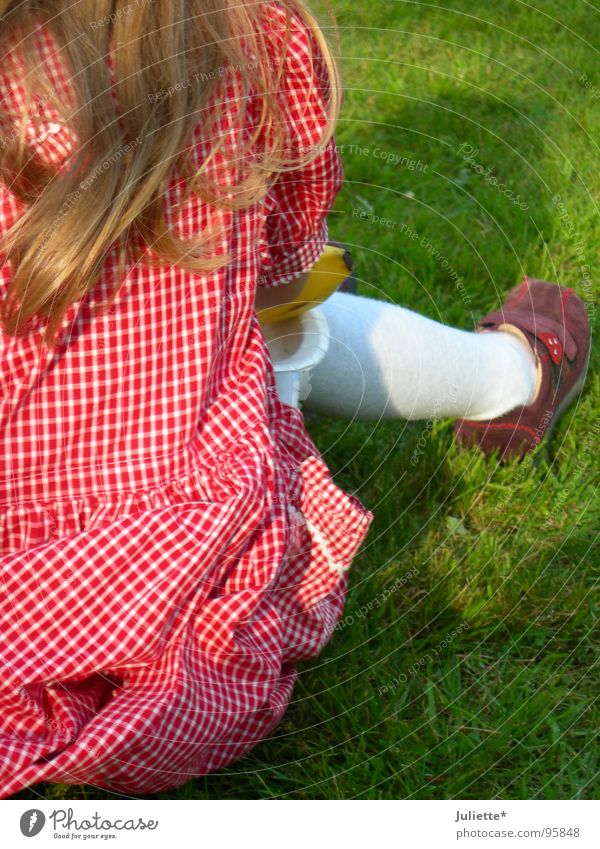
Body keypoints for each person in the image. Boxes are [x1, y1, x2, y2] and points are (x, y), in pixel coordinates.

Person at [0, 0, 589, 799]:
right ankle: (512, 377)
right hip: (190, 632)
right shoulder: (251, 32)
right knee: (280, 311)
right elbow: (281, 290)